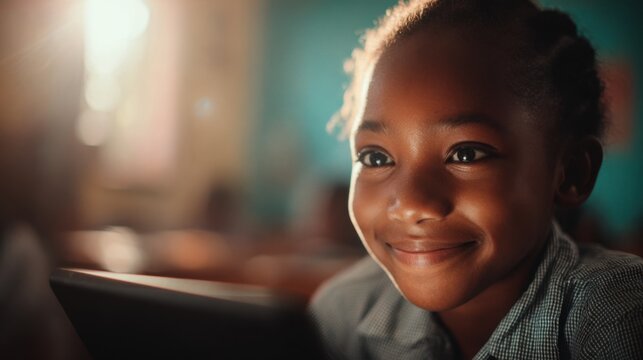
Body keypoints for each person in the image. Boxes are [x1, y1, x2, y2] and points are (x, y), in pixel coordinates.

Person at [309, 0, 643, 359]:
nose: (410, 204)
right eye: (376, 158)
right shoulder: (341, 313)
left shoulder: (617, 314)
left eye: (466, 154)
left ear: (571, 172)